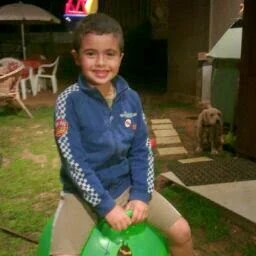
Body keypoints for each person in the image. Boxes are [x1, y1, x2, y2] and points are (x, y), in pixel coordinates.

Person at [51, 12, 194, 256]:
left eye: (109, 54)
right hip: (82, 196)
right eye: (90, 53)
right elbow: (75, 163)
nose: (100, 62)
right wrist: (106, 207)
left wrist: (140, 195)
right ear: (77, 57)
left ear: (121, 57)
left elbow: (142, 151)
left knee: (182, 231)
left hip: (126, 186)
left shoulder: (131, 98)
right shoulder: (68, 102)